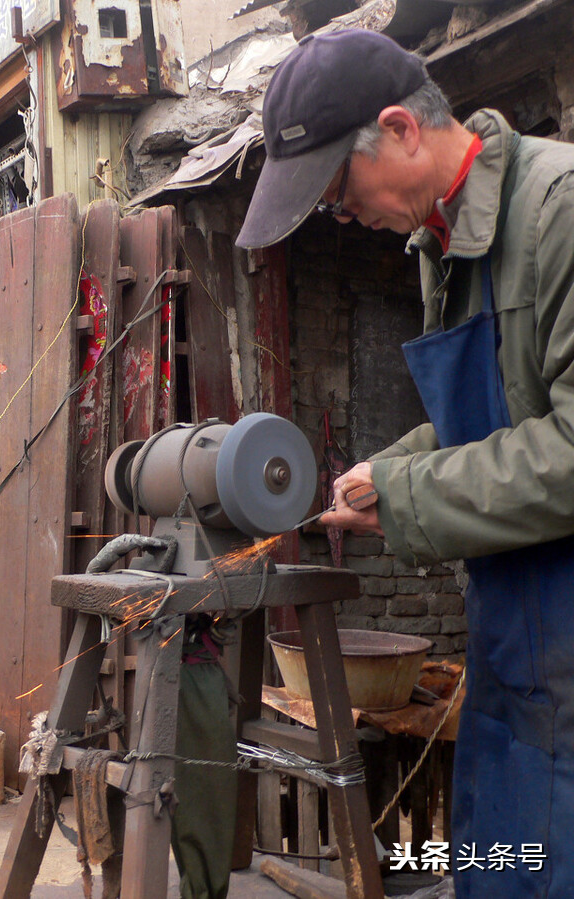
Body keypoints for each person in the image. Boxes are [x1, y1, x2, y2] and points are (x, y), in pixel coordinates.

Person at [238, 28, 574, 898]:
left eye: (339, 192)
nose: (342, 216)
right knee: (503, 867)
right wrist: (386, 468)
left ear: (400, 128)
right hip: (519, 645)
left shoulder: (557, 212)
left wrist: (409, 490)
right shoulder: (443, 245)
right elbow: (495, 419)